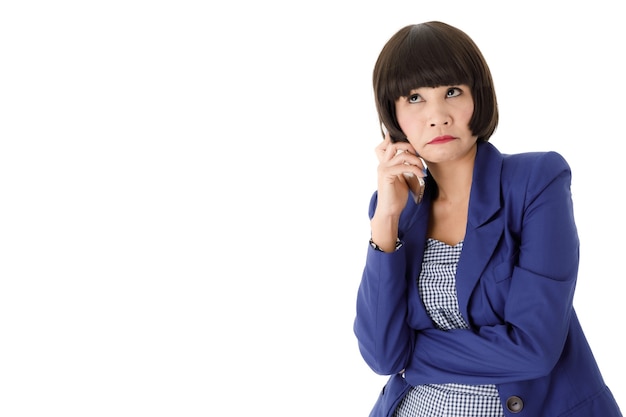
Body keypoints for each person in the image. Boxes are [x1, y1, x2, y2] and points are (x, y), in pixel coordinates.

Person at [353, 21, 623, 417]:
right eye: (414, 98)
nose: (438, 116)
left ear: (478, 97)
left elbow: (534, 350)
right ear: (391, 114)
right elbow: (380, 354)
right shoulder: (395, 208)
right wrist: (386, 219)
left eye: (451, 92)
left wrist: (412, 352)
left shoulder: (535, 182)